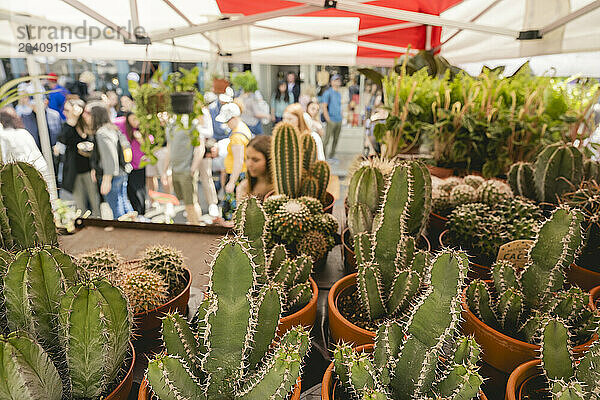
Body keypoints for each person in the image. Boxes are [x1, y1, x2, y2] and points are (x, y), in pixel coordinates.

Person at [84, 102, 134, 219]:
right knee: (124, 203)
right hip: (121, 172)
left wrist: (107, 180)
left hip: (112, 176)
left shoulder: (102, 133)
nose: (85, 116)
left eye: (87, 113)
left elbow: (110, 158)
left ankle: (123, 232)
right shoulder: (111, 128)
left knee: (117, 208)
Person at [0, 107, 57, 203]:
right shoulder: (24, 133)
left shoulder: (4, 136)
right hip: (39, 170)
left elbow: (4, 158)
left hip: (21, 175)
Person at [57, 99, 101, 216]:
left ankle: (98, 219)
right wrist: (72, 120)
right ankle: (83, 223)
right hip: (74, 171)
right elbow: (63, 140)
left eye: (67, 110)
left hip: (89, 168)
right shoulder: (68, 126)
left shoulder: (87, 123)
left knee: (94, 198)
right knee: (79, 201)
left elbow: (93, 139)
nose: (65, 112)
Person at [163, 115, 204, 225]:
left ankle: (196, 228)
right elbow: (169, 149)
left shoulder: (192, 123)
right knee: (187, 203)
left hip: (187, 170)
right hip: (176, 170)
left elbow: (200, 147)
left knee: (191, 203)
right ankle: (194, 223)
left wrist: (193, 168)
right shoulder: (171, 125)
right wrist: (165, 170)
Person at [216, 102, 252, 220]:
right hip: (240, 174)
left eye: (228, 121)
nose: (227, 124)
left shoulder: (237, 136)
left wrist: (231, 182)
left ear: (234, 118)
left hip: (237, 176)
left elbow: (239, 161)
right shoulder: (242, 127)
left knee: (232, 211)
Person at [114, 112, 146, 215]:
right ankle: (135, 213)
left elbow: (150, 144)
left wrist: (140, 138)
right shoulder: (123, 125)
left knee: (139, 191)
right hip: (128, 165)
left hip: (140, 165)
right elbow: (111, 122)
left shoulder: (143, 128)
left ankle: (141, 213)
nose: (134, 122)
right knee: (130, 190)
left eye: (136, 119)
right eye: (132, 119)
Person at [237, 135, 273, 202]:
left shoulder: (278, 188)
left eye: (255, 160)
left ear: (269, 160)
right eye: (247, 158)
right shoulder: (243, 187)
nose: (249, 164)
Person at [321, 74, 343, 160]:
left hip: (339, 119)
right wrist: (328, 119)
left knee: (336, 139)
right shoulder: (328, 93)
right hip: (331, 119)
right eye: (335, 80)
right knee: (326, 139)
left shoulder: (338, 93)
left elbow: (339, 106)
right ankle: (323, 156)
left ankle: (332, 155)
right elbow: (324, 107)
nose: (337, 82)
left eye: (338, 80)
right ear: (331, 82)